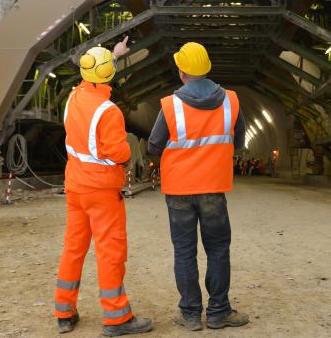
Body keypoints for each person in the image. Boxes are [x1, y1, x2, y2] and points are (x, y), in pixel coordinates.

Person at [55, 37, 152, 336]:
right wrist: (124, 148)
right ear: (109, 74)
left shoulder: (73, 98)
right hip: (101, 192)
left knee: (73, 249)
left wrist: (114, 55)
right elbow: (119, 153)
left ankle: (64, 313)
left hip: (75, 188)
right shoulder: (109, 111)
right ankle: (117, 318)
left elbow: (94, 70)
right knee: (110, 253)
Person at [148, 42, 249, 331]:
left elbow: (154, 144)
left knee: (184, 251)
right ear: (207, 68)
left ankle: (190, 314)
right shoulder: (231, 101)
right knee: (218, 249)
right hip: (213, 190)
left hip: (178, 190)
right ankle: (219, 312)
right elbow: (239, 141)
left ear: (182, 72)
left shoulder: (170, 105)